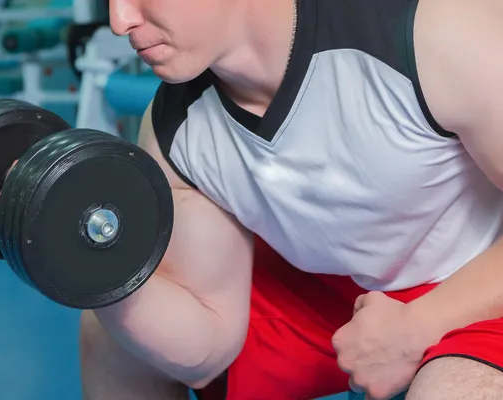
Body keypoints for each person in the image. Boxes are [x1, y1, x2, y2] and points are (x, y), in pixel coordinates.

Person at [80, 0, 503, 399]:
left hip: (480, 284)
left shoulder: (434, 29)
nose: (120, 22)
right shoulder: (173, 131)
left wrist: (420, 326)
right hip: (336, 294)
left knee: (456, 388)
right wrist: (95, 267)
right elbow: (207, 351)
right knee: (109, 334)